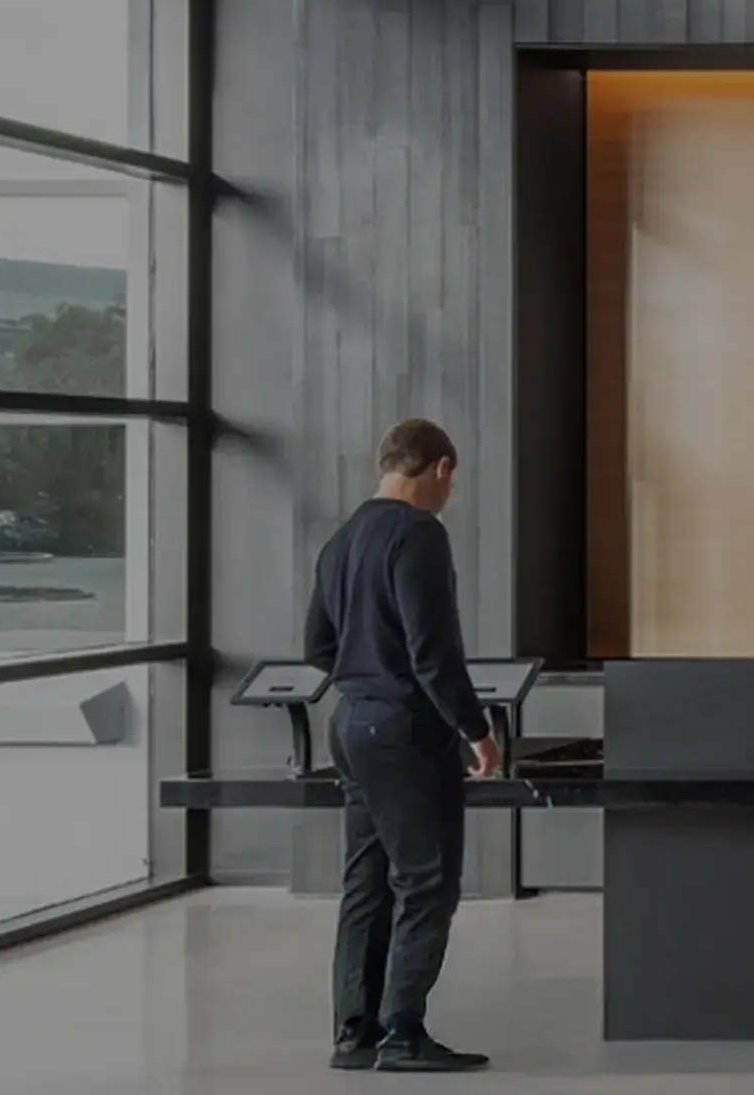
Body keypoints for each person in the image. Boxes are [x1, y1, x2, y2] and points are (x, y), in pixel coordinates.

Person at [307, 419, 501, 1073]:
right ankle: (403, 1036)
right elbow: (435, 653)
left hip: (351, 723)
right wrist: (478, 731)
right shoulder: (419, 534)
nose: (450, 495)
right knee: (426, 882)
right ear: (439, 468)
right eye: (452, 481)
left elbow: (317, 646)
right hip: (406, 732)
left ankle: (353, 1034)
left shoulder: (341, 540)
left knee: (367, 881)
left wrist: (365, 679)